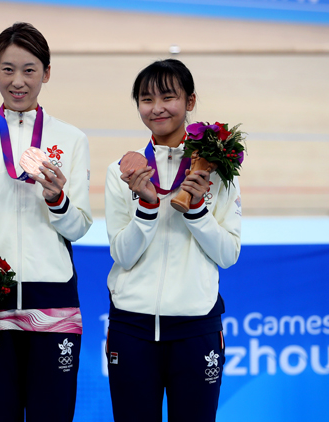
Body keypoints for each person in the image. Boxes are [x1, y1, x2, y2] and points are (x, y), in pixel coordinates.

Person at [0, 22, 92, 422]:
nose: (18, 81)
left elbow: (79, 227)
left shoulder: (72, 139)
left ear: (47, 72)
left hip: (55, 305)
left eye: (29, 70)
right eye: (8, 69)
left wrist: (57, 199)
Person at [104, 58, 242, 422]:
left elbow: (228, 255)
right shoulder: (123, 171)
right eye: (146, 99)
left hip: (196, 329)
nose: (158, 107)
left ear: (191, 101)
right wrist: (147, 206)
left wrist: (197, 211)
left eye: (169, 96)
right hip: (131, 329)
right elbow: (122, 254)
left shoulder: (217, 168)